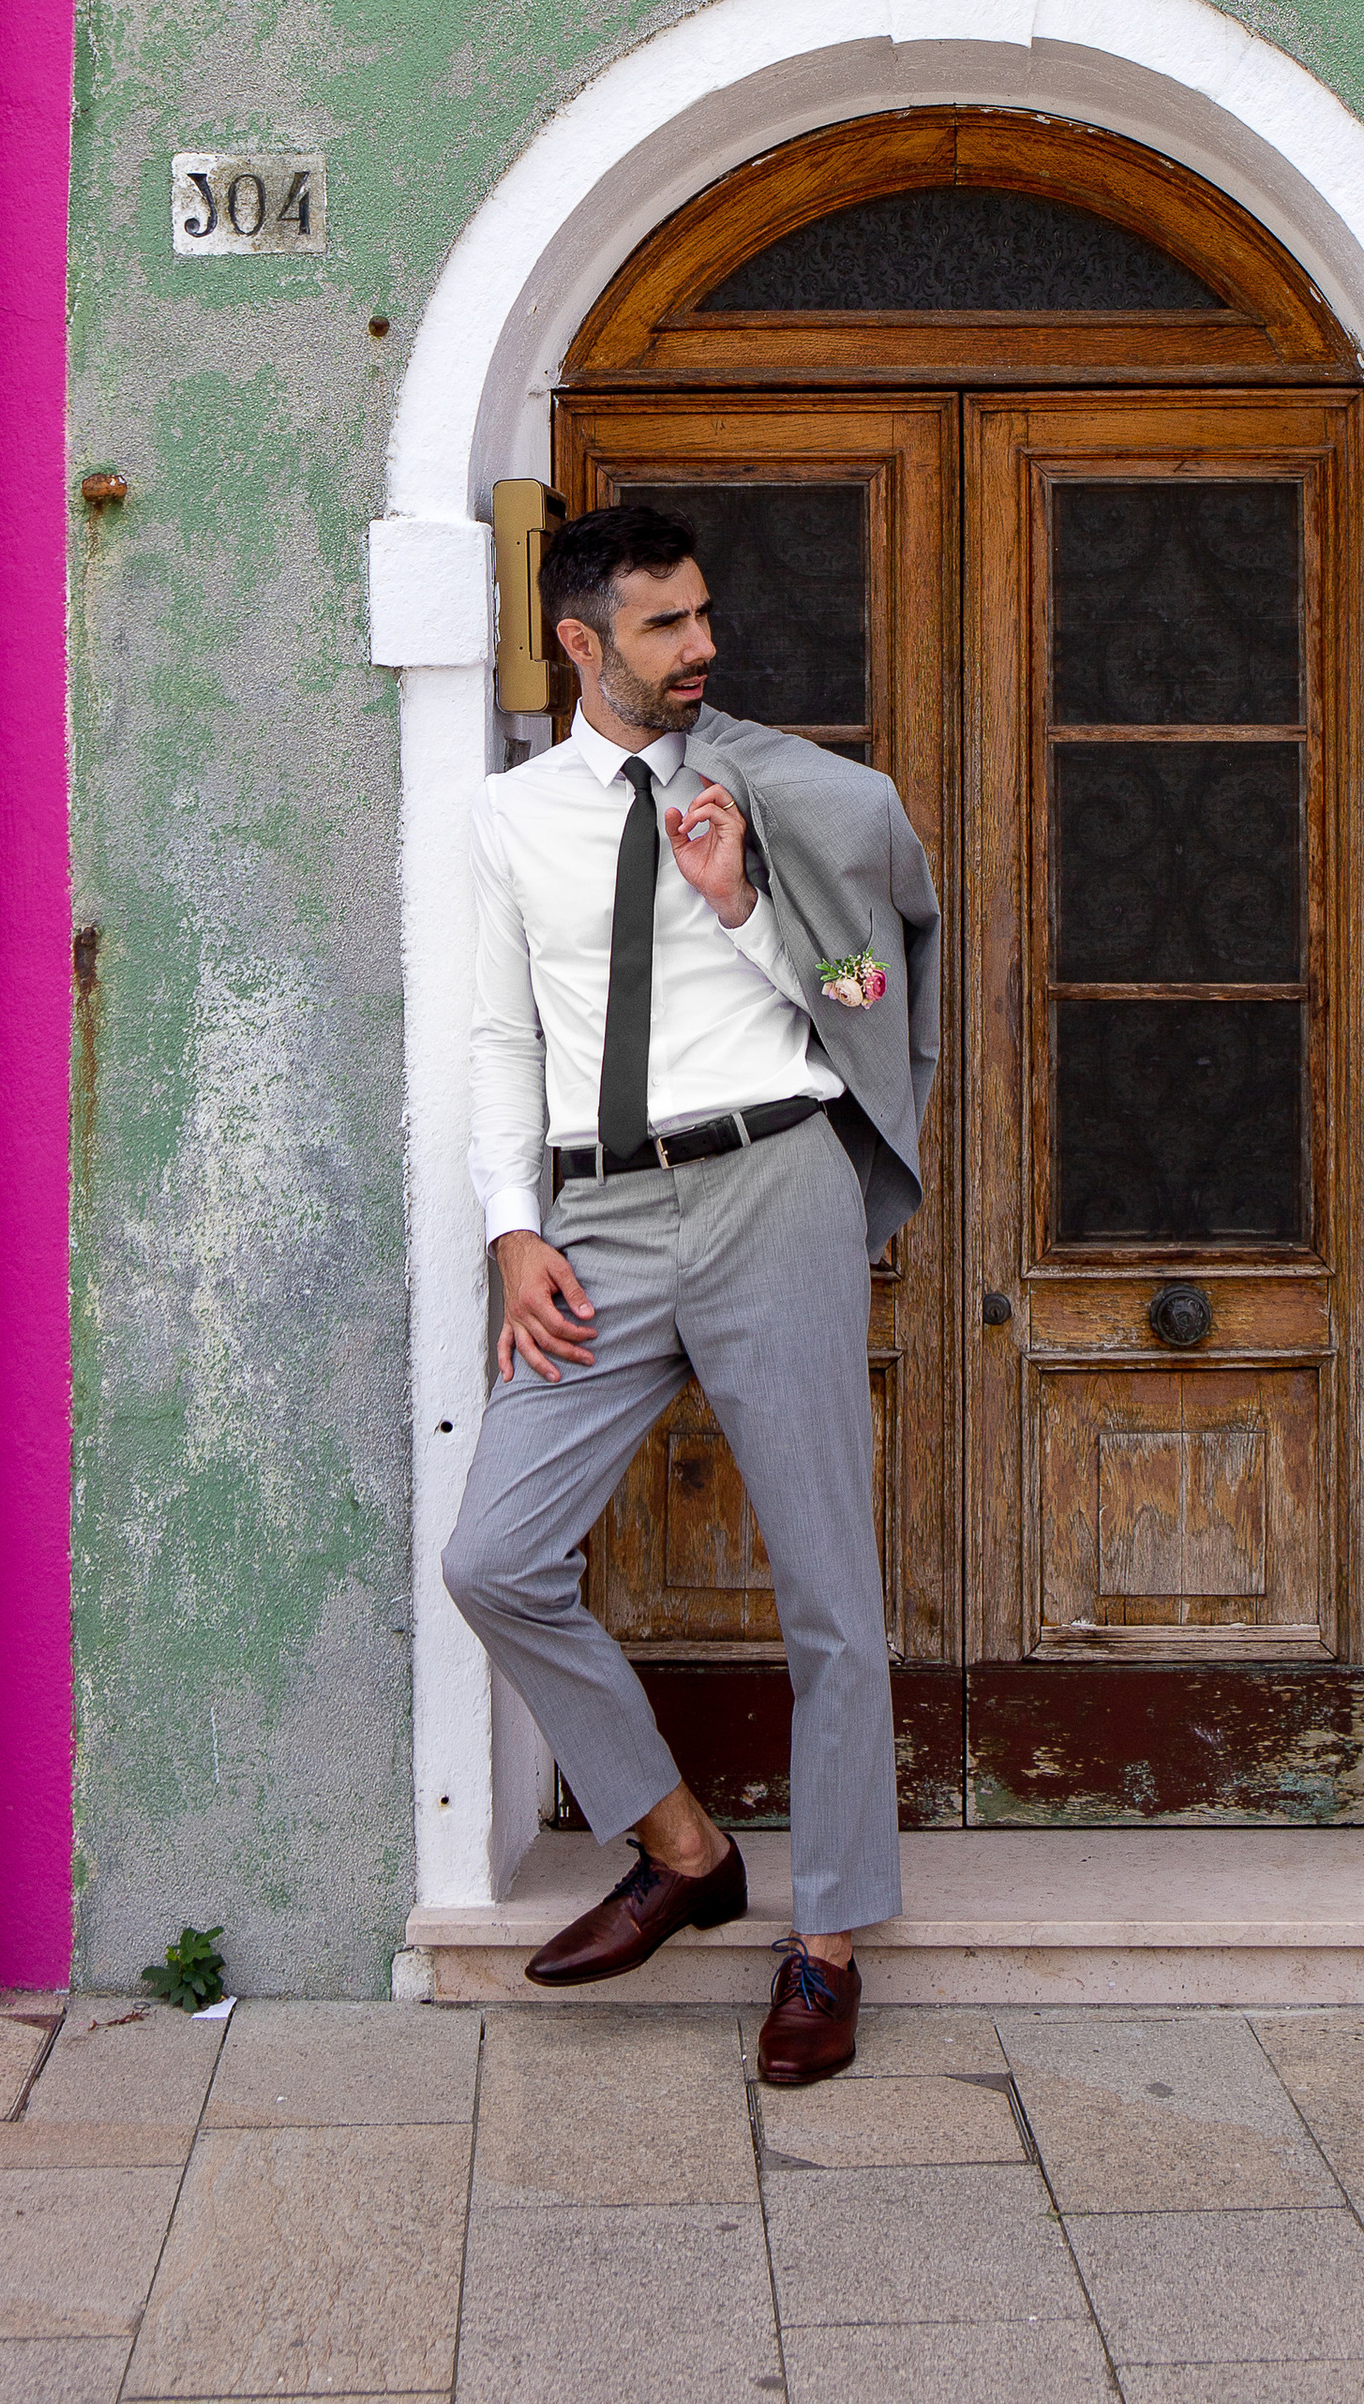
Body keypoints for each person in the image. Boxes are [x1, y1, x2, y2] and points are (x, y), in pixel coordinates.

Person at [440, 498, 941, 2083]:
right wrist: (516, 1228)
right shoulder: (509, 820)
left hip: (772, 1184)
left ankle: (828, 1941)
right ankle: (681, 1845)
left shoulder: (788, 795)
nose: (701, 648)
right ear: (582, 642)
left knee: (828, 1598)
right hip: (599, 1221)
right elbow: (498, 1040)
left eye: (703, 617)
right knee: (496, 1556)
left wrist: (745, 903)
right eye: (664, 625)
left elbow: (872, 994)